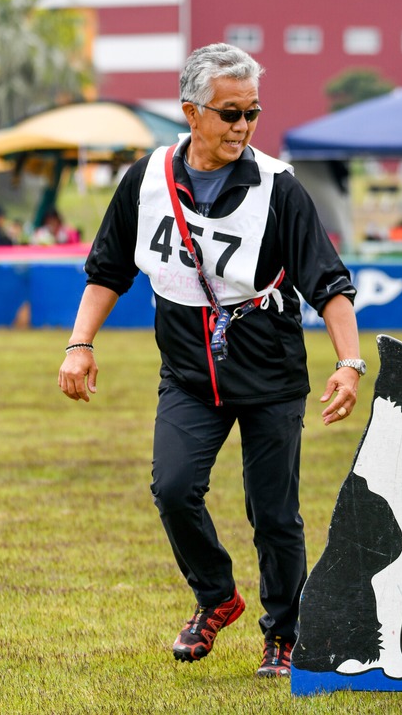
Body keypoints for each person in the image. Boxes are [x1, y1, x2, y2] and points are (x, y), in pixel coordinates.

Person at [57, 43, 363, 679]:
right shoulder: (145, 179)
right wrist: (80, 344)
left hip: (271, 373)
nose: (243, 127)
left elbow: (328, 283)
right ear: (190, 113)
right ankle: (217, 597)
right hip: (189, 374)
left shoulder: (279, 186)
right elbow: (108, 270)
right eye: (229, 114)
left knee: (273, 512)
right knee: (172, 489)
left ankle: (284, 633)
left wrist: (348, 363)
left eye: (252, 113)